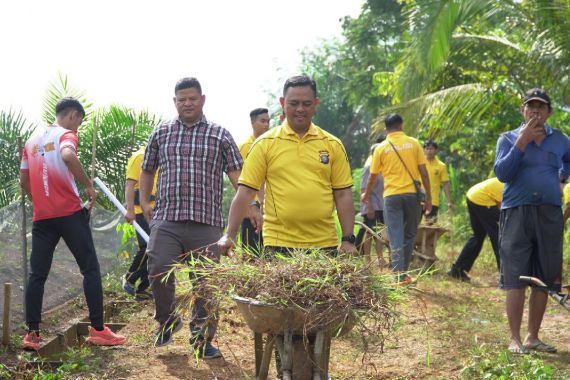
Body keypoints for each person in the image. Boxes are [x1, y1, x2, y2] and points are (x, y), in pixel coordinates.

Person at [139, 77, 248, 359]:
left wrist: (253, 206)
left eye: (192, 98)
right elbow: (148, 168)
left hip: (206, 221)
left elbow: (239, 176)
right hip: (167, 218)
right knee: (158, 266)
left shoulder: (220, 134)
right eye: (181, 99)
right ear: (174, 102)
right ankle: (167, 320)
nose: (187, 103)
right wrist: (143, 198)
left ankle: (202, 339)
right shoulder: (161, 132)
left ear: (202, 99)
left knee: (206, 283)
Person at [19, 97, 126, 350]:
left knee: (37, 274)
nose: (77, 128)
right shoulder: (66, 134)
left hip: (43, 218)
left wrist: (42, 201)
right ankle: (99, 330)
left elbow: (24, 181)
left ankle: (32, 335)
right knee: (89, 268)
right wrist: (88, 185)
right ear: (73, 116)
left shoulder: (31, 141)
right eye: (78, 122)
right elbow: (67, 155)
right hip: (69, 213)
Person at [218, 75, 357, 256]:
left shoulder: (332, 144)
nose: (300, 109)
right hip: (278, 244)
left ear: (316, 103)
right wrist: (229, 234)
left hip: (324, 244)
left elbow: (343, 194)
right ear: (283, 102)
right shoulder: (264, 144)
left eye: (306, 104)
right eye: (293, 103)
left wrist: (348, 239)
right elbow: (245, 192)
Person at [494, 88, 570, 354]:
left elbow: (569, 161)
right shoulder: (507, 138)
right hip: (516, 211)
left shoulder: (561, 140)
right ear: (523, 110)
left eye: (541, 106)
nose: (535, 110)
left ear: (549, 112)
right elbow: (502, 173)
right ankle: (514, 338)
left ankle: (532, 337)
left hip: (549, 213)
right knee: (515, 275)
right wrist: (521, 143)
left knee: (545, 277)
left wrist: (562, 176)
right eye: (531, 106)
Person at [363, 114, 431, 285]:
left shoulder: (381, 148)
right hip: (412, 196)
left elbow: (372, 176)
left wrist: (367, 194)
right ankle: (402, 274)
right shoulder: (414, 143)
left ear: (386, 130)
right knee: (409, 234)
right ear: (402, 126)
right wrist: (428, 196)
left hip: (391, 196)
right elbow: (423, 172)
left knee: (395, 235)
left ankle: (399, 275)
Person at [447, 177, 504, 281]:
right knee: (498, 237)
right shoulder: (515, 186)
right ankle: (506, 275)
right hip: (481, 199)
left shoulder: (508, 177)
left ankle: (457, 270)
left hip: (472, 195)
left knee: (478, 236)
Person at [121, 148, 157, 301]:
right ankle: (129, 277)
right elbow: (130, 185)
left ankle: (143, 288)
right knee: (147, 248)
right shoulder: (140, 157)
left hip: (158, 209)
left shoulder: (162, 156)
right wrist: (130, 210)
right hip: (140, 210)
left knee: (159, 251)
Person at [238, 108, 270, 256]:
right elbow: (244, 181)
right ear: (252, 123)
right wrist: (255, 204)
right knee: (251, 255)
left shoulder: (267, 144)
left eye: (268, 121)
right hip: (251, 209)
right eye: (262, 121)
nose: (266, 125)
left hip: (266, 208)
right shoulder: (247, 146)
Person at [355, 139, 387, 267]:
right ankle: (367, 258)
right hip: (371, 204)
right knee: (369, 232)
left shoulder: (381, 167)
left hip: (380, 204)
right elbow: (363, 189)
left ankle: (380, 258)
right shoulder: (368, 167)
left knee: (378, 232)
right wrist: (369, 207)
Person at [423, 139, 453, 221]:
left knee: (431, 226)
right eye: (427, 148)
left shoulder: (441, 166)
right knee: (415, 227)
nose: (429, 151)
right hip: (419, 200)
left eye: (431, 149)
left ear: (436, 150)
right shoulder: (419, 163)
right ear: (424, 150)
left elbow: (445, 184)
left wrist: (449, 201)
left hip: (433, 201)